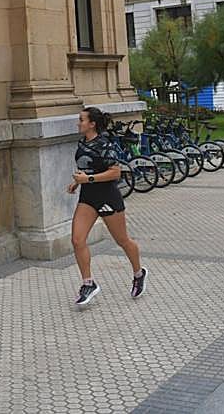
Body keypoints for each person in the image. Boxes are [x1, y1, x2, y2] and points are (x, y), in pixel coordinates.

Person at [67, 107, 147, 306]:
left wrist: (89, 178)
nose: (78, 123)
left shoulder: (105, 144)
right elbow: (86, 166)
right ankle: (88, 283)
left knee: (123, 241)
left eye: (81, 120)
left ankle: (138, 273)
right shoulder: (83, 142)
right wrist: (78, 182)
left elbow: (115, 173)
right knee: (77, 240)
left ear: (92, 123)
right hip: (88, 198)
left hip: (107, 197)